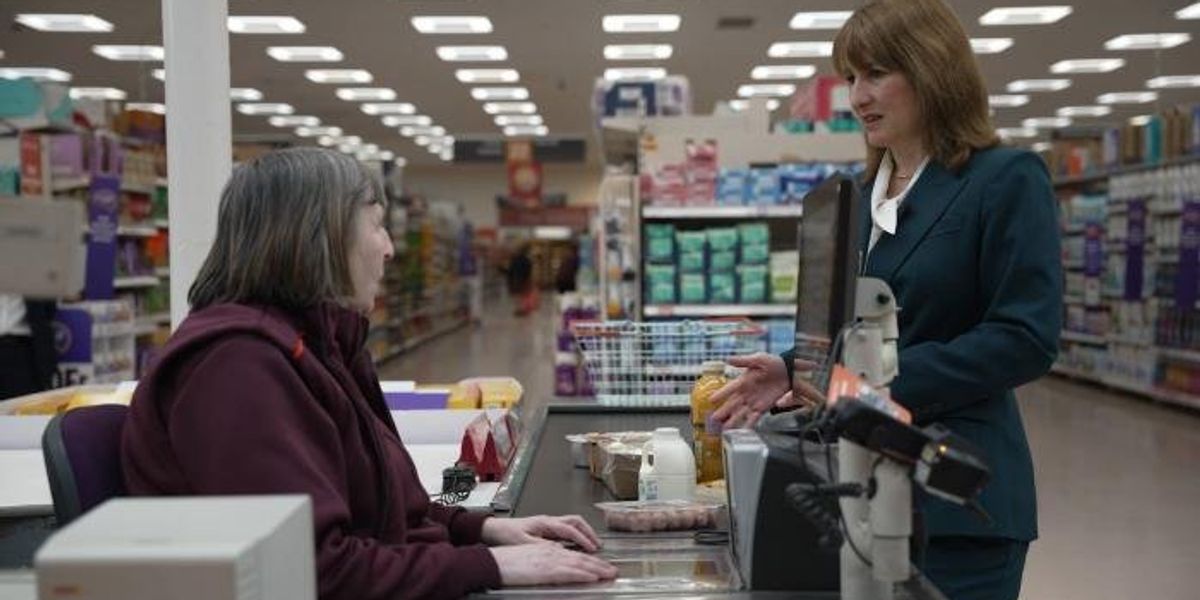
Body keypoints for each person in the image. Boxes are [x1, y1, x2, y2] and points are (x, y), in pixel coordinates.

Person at [121, 148, 617, 600]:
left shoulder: (319, 344)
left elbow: (384, 507)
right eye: (376, 226)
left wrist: (480, 529)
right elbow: (313, 572)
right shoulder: (237, 369)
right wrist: (483, 565)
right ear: (321, 235)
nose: (389, 249)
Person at [710, 1, 1062, 599]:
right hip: (861, 487)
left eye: (876, 74)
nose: (857, 96)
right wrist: (796, 368)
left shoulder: (1003, 178)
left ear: (932, 70)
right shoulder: (858, 194)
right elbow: (861, 331)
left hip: (956, 503)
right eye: (850, 77)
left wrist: (866, 384)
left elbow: (1024, 338)